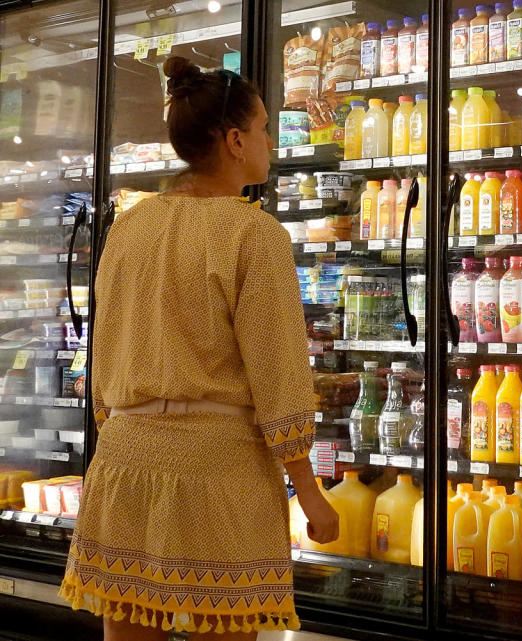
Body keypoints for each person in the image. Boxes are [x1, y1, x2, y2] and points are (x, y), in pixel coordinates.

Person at [58, 56, 339, 641]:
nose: (269, 143)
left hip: (126, 461)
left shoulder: (131, 224)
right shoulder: (253, 233)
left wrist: (118, 425)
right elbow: (279, 370)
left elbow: (103, 351)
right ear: (235, 140)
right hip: (220, 471)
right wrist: (309, 494)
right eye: (264, 130)